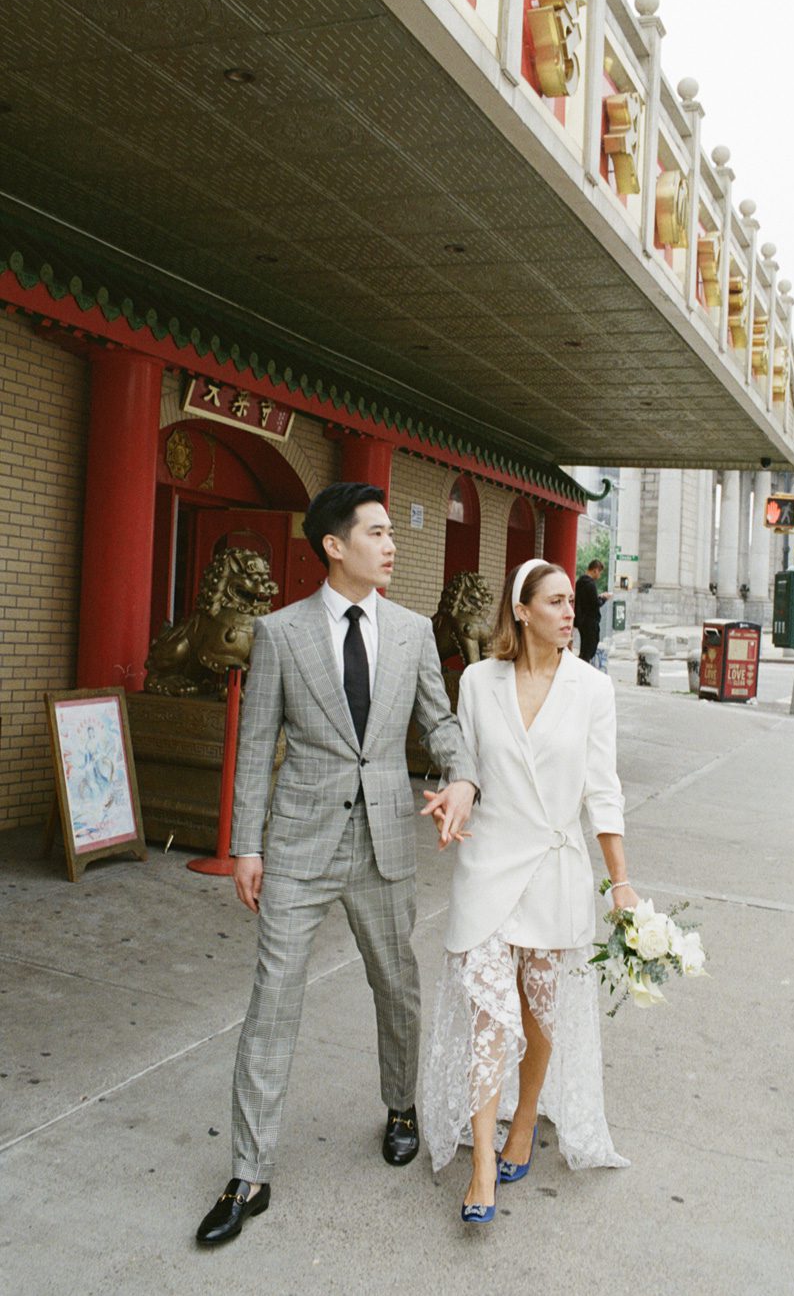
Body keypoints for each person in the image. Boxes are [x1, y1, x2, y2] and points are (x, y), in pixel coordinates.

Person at [196, 482, 479, 1245]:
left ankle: (399, 1106)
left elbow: (440, 723)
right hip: (298, 843)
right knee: (272, 1001)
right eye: (378, 533)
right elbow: (256, 746)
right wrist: (246, 846)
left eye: (393, 532)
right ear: (333, 545)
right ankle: (249, 1173)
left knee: (397, 987)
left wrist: (461, 778)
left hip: (385, 838)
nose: (391, 546)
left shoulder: (415, 631)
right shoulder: (279, 633)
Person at [422, 558, 637, 1224]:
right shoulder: (480, 684)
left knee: (540, 1013)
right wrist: (458, 794)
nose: (569, 613)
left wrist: (620, 882)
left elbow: (602, 789)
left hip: (555, 867)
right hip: (489, 862)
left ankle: (524, 1120)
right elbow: (471, 767)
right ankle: (482, 1161)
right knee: (492, 1012)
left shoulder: (592, 688)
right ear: (521, 611)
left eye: (571, 602)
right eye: (554, 602)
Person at [574, 558, 611, 665]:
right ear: (595, 570)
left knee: (584, 648)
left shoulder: (580, 582)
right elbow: (595, 604)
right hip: (590, 621)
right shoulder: (590, 584)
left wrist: (599, 596)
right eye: (599, 572)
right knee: (589, 649)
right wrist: (604, 598)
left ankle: (582, 667)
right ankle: (583, 669)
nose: (599, 576)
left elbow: (587, 600)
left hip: (582, 620)